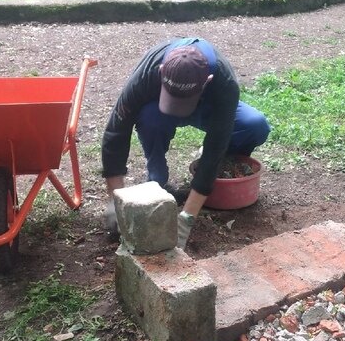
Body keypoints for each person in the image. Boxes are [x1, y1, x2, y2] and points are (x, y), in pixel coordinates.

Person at [102, 38, 271, 248]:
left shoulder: (223, 82)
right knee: (149, 118)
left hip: (207, 109)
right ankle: (157, 181)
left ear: (208, 80)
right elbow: (115, 133)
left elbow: (215, 146)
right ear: (162, 71)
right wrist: (115, 201)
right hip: (159, 112)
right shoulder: (146, 73)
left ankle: (222, 170)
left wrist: (186, 220)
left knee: (255, 125)